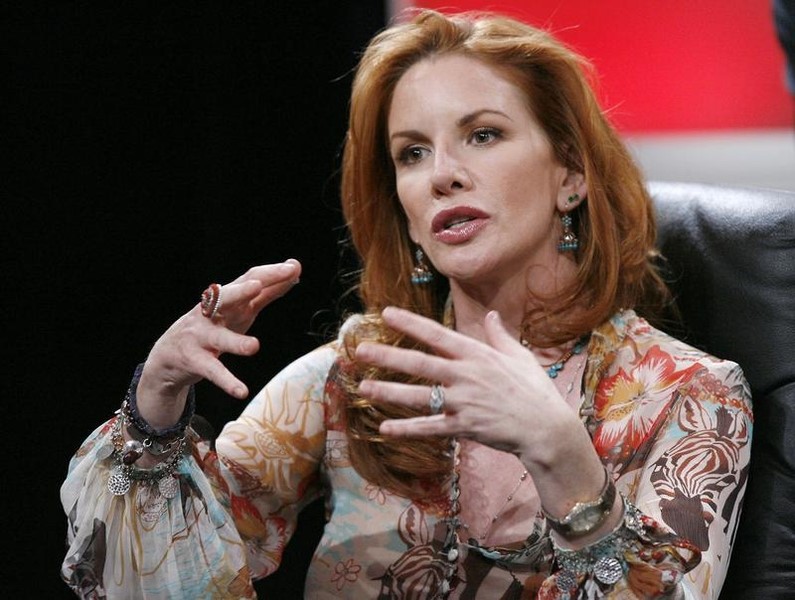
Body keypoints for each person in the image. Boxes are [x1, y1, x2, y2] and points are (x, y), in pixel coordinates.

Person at [61, 9, 752, 599]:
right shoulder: (354, 380)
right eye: (412, 153)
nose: (443, 174)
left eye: (483, 135)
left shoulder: (690, 396)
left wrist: (562, 458)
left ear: (569, 173)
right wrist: (155, 405)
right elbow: (148, 584)